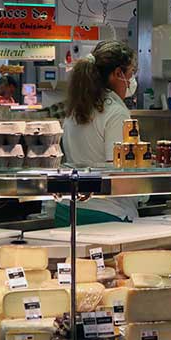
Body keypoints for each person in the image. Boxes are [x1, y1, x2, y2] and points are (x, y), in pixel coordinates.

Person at [60, 40, 140, 225]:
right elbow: (118, 171)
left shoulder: (76, 108)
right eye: (131, 73)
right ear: (117, 74)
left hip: (68, 211)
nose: (131, 80)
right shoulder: (116, 112)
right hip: (106, 214)